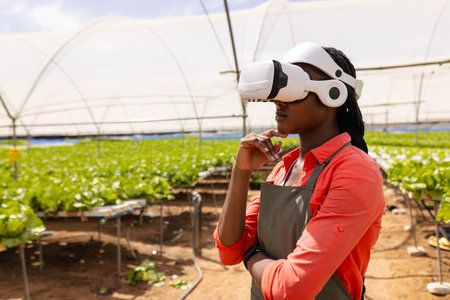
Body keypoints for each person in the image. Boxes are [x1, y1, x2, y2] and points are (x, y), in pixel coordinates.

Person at [213, 42, 385, 300]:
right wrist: (241, 172)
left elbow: (291, 288)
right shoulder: (284, 167)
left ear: (333, 94)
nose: (279, 101)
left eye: (294, 88)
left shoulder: (355, 170)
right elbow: (228, 249)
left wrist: (252, 255)